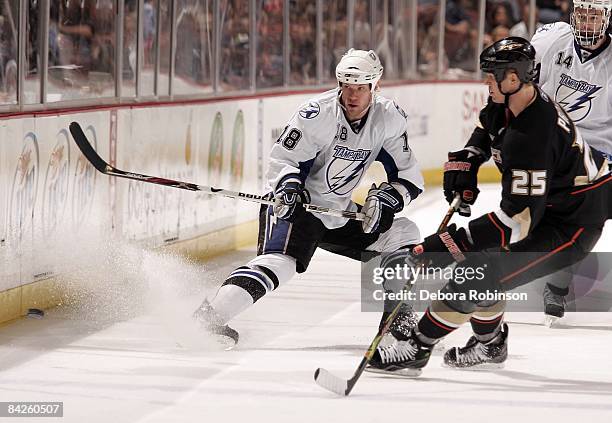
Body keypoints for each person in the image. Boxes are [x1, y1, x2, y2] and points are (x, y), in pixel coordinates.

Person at [367, 37, 610, 375]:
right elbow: (486, 128)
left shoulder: (531, 137)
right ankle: (491, 344)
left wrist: (443, 245)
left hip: (572, 224)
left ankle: (417, 347)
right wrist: (469, 159)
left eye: (491, 76)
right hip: (553, 206)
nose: (486, 83)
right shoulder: (513, 101)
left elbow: (518, 221)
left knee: (476, 274)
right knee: (483, 269)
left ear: (512, 78)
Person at [193, 49, 425, 347]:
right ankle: (208, 319)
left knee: (404, 233)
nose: (352, 96)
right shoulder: (316, 114)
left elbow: (408, 177)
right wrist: (289, 187)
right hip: (296, 205)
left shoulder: (388, 118)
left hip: (337, 211)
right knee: (281, 264)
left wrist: (386, 200)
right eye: (347, 87)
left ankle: (397, 324)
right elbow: (284, 160)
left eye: (360, 88)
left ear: (375, 87)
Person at [531, 0, 612, 324]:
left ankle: (558, 282)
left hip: (600, 149)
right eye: (583, 13)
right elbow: (520, 85)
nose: (588, 21)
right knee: (531, 208)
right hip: (554, 139)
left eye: (595, 15)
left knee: (594, 212)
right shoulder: (551, 40)